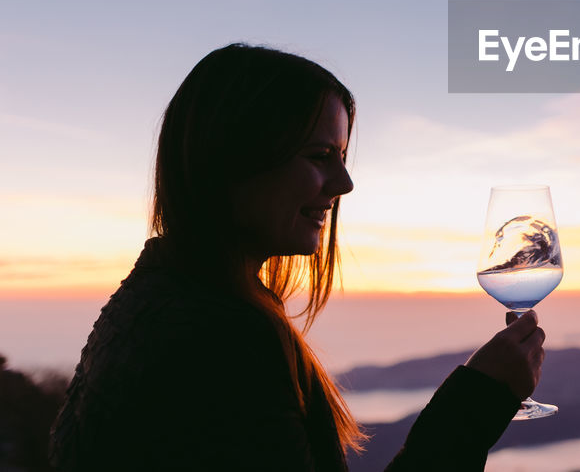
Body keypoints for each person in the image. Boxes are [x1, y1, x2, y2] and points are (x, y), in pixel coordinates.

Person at [50, 44, 545, 471]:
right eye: (319, 156)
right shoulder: (221, 342)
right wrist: (477, 401)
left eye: (343, 158)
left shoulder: (152, 299)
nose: (345, 185)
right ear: (236, 159)